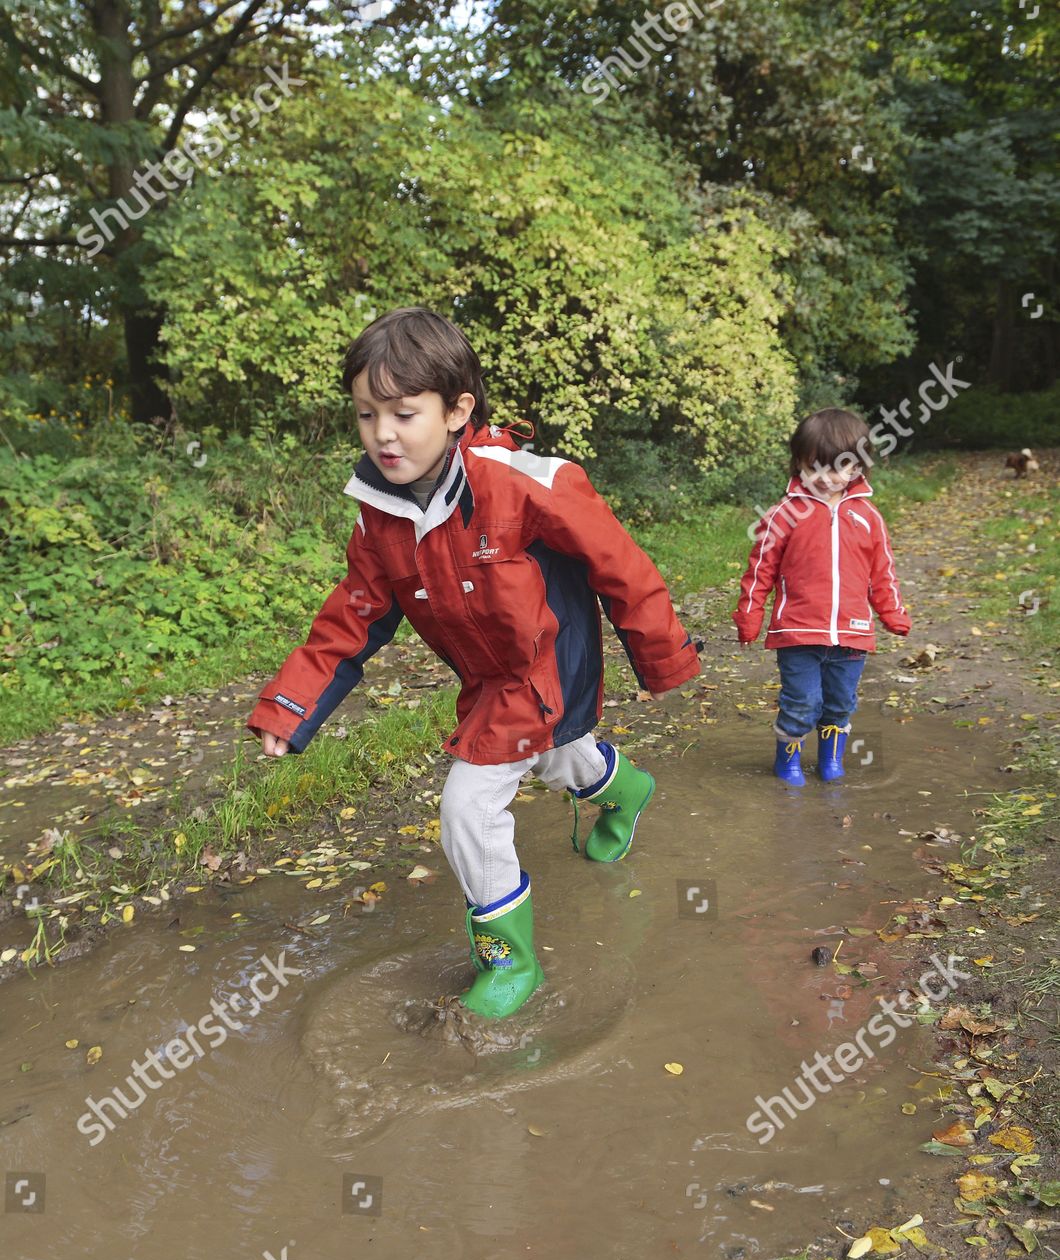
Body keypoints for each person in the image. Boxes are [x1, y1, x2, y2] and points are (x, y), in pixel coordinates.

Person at [245, 307, 701, 1018]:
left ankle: (508, 964)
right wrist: (290, 704)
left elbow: (621, 564)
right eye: (366, 415)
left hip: (548, 667)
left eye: (403, 413)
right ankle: (620, 789)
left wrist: (662, 657)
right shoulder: (379, 516)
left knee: (467, 804)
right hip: (490, 680)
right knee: (553, 759)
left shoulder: (522, 480)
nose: (383, 434)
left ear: (458, 410)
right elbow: (352, 615)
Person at [732, 407, 910, 786]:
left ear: (857, 468)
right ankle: (788, 762)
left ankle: (831, 760)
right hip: (797, 633)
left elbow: (883, 572)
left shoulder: (868, 517)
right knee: (801, 704)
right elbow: (760, 568)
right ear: (798, 464)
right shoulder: (784, 514)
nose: (824, 478)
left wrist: (892, 612)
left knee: (840, 704)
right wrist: (750, 615)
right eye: (813, 468)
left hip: (852, 633)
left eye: (835, 468)